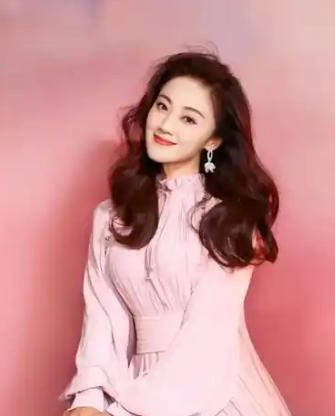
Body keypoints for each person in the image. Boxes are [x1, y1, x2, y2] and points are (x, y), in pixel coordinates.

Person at [58, 50, 293, 416]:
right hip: (133, 390)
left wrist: (119, 412)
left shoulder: (228, 220)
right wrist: (88, 400)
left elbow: (206, 340)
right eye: (162, 107)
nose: (166, 125)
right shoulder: (109, 218)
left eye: (188, 119)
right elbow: (101, 318)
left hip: (215, 397)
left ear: (212, 141)